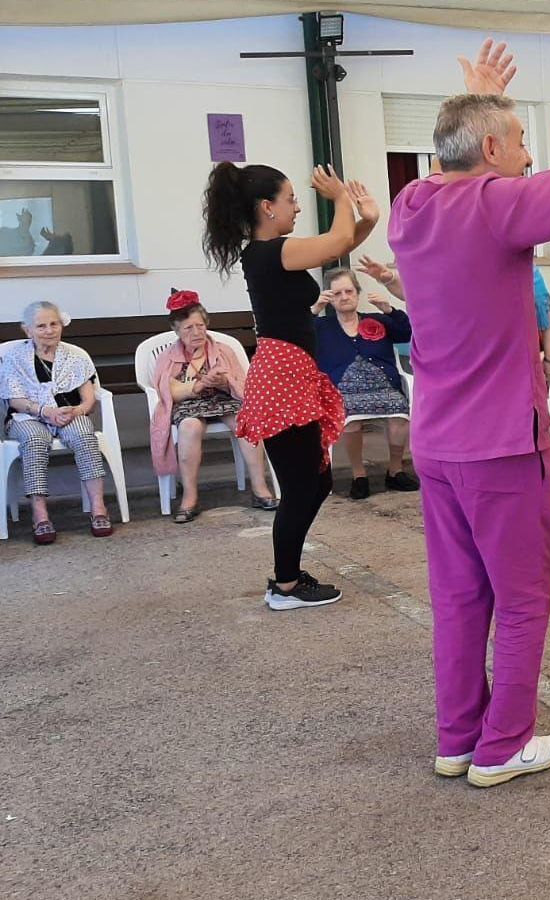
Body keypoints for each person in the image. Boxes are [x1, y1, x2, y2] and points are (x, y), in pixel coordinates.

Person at [387, 23, 550, 788]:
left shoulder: (410, 204)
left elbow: (457, 154)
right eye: (522, 143)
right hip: (504, 445)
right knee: (524, 601)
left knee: (460, 597)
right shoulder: (499, 205)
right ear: (496, 154)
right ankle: (505, 746)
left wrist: (479, 101)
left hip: (437, 443)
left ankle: (458, 739)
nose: (532, 158)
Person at [201, 159, 378, 611]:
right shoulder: (268, 252)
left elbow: (336, 247)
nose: (297, 207)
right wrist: (340, 200)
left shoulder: (275, 253)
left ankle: (288, 575)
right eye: (291, 200)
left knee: (315, 482)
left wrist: (367, 220)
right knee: (303, 487)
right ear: (267, 207)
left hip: (291, 373)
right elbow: (335, 241)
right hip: (282, 377)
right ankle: (284, 586)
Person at [150, 290, 277, 522]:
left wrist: (225, 382)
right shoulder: (168, 357)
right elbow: (169, 392)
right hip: (189, 404)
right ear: (176, 330)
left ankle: (260, 490)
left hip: (223, 400)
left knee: (245, 420)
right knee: (189, 427)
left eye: (200, 325)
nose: (196, 332)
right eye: (188, 328)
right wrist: (196, 387)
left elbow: (242, 384)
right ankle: (190, 498)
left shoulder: (223, 350)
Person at [2, 300, 113, 543]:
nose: (49, 330)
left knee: (85, 436)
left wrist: (76, 410)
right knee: (34, 441)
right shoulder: (14, 357)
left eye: (54, 324)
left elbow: (88, 399)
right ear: (27, 329)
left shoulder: (75, 356)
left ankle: (99, 510)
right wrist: (45, 411)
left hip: (70, 413)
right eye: (41, 326)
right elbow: (14, 400)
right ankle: (40, 516)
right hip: (28, 415)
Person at [312, 268, 419, 499]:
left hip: (383, 386)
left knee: (399, 412)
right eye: (337, 292)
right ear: (330, 297)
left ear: (357, 293)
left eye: (349, 291)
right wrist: (314, 310)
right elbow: (298, 338)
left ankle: (395, 470)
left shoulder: (377, 320)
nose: (344, 296)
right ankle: (358, 474)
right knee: (349, 417)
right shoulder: (321, 327)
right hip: (342, 389)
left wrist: (389, 310)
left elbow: (408, 332)